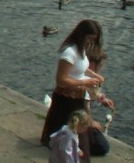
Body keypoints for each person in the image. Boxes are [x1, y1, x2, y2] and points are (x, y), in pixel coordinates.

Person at [41, 19, 106, 150]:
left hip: (78, 98)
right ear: (81, 35)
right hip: (67, 101)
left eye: (93, 39)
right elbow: (61, 80)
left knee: (95, 144)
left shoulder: (81, 50)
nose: (91, 42)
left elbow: (79, 68)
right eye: (89, 38)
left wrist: (93, 75)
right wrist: (86, 82)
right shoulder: (69, 53)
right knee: (95, 145)